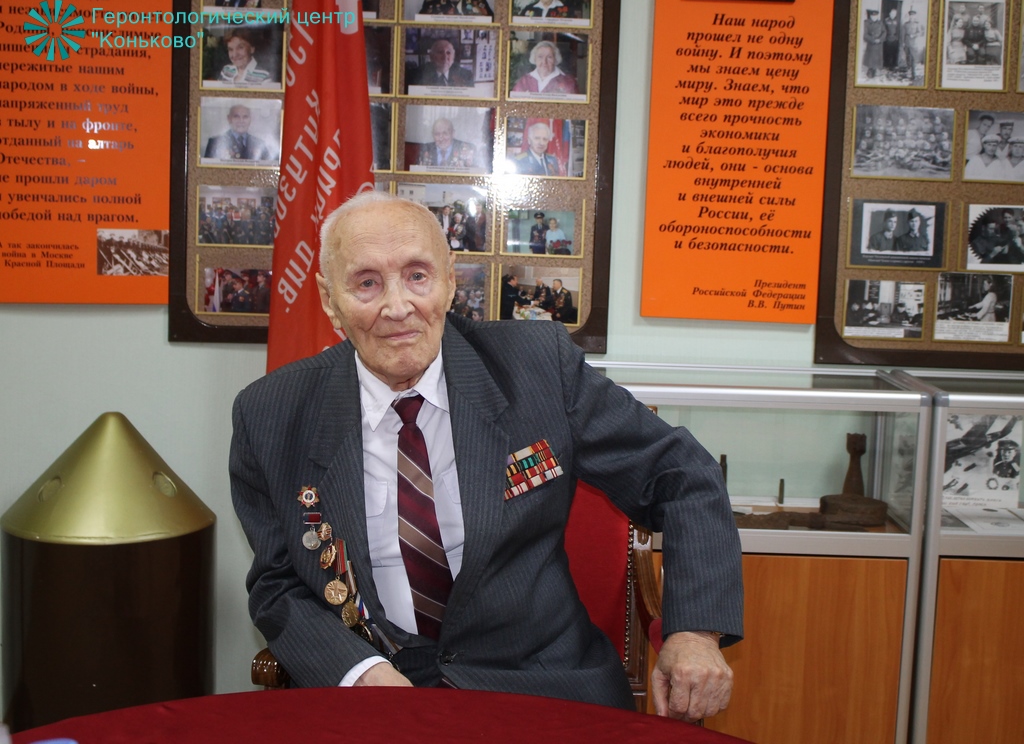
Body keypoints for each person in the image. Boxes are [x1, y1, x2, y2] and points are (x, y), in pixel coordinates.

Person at [230, 192, 742, 720]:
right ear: (329, 298)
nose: (397, 307)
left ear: (451, 280)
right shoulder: (270, 414)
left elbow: (682, 475)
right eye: (366, 283)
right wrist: (359, 672)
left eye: (417, 276)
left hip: (539, 685)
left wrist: (694, 631)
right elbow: (277, 583)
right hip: (378, 687)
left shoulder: (537, 367)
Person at [204, 104, 273, 161]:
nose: (241, 121)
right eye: (236, 117)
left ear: (250, 119)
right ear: (229, 119)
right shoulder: (215, 143)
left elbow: (268, 166)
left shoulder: (259, 144)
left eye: (245, 117)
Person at [511, 41, 580, 96]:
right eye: (540, 57)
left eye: (549, 57)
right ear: (534, 59)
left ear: (555, 59)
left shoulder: (568, 82)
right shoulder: (524, 81)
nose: (544, 62)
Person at [900, 9, 925, 79]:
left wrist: (914, 35)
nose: (911, 17)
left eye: (913, 16)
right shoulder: (905, 24)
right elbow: (903, 34)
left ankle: (913, 73)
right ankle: (909, 70)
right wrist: (903, 43)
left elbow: (921, 33)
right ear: (909, 16)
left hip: (914, 43)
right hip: (907, 42)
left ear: (915, 16)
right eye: (910, 16)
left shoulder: (917, 24)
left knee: (913, 58)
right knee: (907, 57)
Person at [862, 9, 884, 78]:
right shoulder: (867, 23)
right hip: (871, 43)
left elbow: (884, 32)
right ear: (871, 16)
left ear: (877, 16)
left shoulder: (880, 23)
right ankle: (870, 71)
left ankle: (874, 70)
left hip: (879, 44)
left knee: (877, 59)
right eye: (873, 16)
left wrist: (880, 39)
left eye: (876, 16)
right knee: (870, 59)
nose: (874, 17)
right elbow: (865, 35)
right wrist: (873, 40)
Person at [882, 7, 900, 73]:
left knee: (894, 52)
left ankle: (893, 65)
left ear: (896, 14)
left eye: (894, 13)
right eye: (892, 13)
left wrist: (897, 38)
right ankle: (886, 65)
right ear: (890, 13)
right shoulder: (886, 20)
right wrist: (885, 38)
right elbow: (884, 29)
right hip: (887, 38)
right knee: (887, 52)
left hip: (894, 39)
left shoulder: (897, 21)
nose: (893, 14)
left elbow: (898, 30)